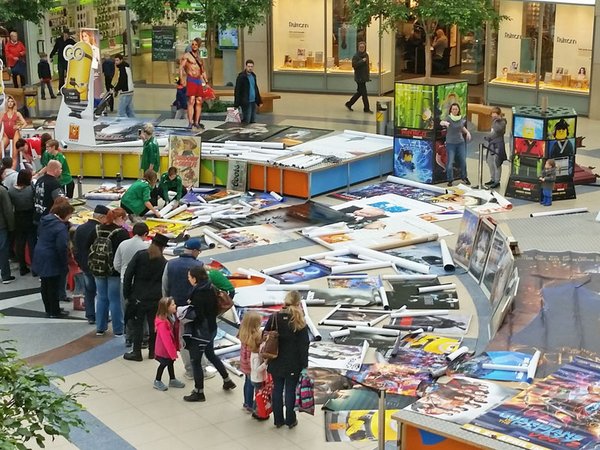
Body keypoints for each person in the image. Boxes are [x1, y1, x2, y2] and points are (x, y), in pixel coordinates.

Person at [161, 237, 216, 380]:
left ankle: (189, 370)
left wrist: (168, 305)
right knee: (198, 337)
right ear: (195, 251)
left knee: (183, 339)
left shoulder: (170, 264)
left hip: (176, 308)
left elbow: (165, 285)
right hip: (194, 309)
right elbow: (205, 287)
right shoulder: (198, 265)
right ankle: (201, 369)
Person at [183, 265, 237, 402]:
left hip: (201, 331)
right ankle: (227, 379)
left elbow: (198, 314)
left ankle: (199, 392)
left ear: (195, 279)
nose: (188, 279)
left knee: (195, 361)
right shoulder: (210, 288)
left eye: (189, 277)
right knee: (211, 354)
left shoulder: (197, 294)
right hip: (212, 328)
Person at [264, 290, 309, 429]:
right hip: (293, 363)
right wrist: (304, 364)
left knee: (277, 389)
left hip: (275, 359)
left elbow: (265, 333)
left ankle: (278, 420)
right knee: (290, 391)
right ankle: (290, 420)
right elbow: (304, 345)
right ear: (298, 303)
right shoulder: (299, 321)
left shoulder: (275, 317)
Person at [123, 233, 169, 361]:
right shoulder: (164, 262)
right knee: (153, 325)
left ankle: (136, 352)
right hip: (155, 299)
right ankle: (152, 351)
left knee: (138, 325)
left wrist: (127, 294)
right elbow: (165, 282)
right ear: (163, 248)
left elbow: (128, 275)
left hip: (138, 297)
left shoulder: (140, 255)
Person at [87, 207, 129, 336]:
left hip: (98, 268)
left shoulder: (97, 229)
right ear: (119, 218)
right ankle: (118, 329)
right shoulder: (121, 233)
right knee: (114, 299)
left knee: (101, 297)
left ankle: (100, 327)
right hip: (114, 271)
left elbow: (89, 246)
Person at [32, 198, 74, 316]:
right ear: (64, 214)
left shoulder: (45, 220)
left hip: (40, 253)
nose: (69, 218)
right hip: (51, 257)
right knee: (53, 286)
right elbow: (61, 246)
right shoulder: (60, 228)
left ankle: (48, 309)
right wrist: (64, 262)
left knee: (45, 285)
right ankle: (55, 311)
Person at [114, 222, 150, 346]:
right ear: (145, 234)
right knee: (143, 311)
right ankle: (144, 338)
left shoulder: (123, 244)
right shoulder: (145, 247)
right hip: (140, 283)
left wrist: (123, 273)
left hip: (124, 280)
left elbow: (116, 264)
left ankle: (129, 337)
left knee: (127, 309)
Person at [73, 204, 110, 325]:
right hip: (97, 266)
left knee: (88, 291)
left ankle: (90, 316)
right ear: (102, 217)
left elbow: (75, 248)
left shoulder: (80, 228)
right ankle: (102, 316)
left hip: (84, 265)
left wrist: (79, 262)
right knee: (101, 292)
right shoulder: (100, 230)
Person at [153, 297, 186, 391]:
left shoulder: (170, 317)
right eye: (173, 305)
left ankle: (172, 379)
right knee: (163, 363)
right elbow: (166, 340)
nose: (175, 306)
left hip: (169, 348)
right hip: (164, 349)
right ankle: (157, 380)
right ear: (166, 308)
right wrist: (172, 353)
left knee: (170, 362)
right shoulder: (162, 323)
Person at [239, 311, 267, 418]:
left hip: (244, 363)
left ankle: (246, 403)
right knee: (254, 385)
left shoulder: (243, 332)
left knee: (246, 383)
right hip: (252, 365)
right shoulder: (256, 336)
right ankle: (253, 406)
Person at [8, 170, 36, 276]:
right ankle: (35, 268)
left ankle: (22, 267)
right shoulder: (30, 189)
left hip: (18, 217)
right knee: (32, 242)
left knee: (20, 243)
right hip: (30, 216)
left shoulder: (11, 191)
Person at [440, 103, 471, 187]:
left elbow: (462, 127)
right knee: (450, 162)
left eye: (456, 109)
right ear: (451, 110)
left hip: (460, 142)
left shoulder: (461, 118)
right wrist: (444, 123)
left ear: (458, 110)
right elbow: (441, 122)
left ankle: (464, 177)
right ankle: (450, 179)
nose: (454, 111)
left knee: (463, 161)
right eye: (453, 109)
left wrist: (467, 132)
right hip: (451, 143)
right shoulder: (449, 118)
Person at [179, 38, 208, 129]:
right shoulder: (187, 56)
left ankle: (196, 122)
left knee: (199, 101)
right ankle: (190, 122)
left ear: (198, 46)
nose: (194, 46)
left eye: (195, 44)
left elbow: (202, 71)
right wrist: (181, 79)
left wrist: (205, 81)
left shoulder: (200, 58)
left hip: (198, 80)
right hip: (191, 79)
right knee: (191, 100)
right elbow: (181, 68)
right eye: (193, 44)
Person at [33, 159, 64, 225]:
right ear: (56, 170)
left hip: (37, 216)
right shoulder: (54, 184)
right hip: (48, 220)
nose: (61, 171)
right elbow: (61, 203)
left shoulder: (39, 180)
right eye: (60, 169)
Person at [345, 42, 372, 113]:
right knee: (364, 94)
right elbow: (354, 65)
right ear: (358, 47)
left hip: (364, 77)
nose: (362, 48)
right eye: (361, 47)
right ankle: (366, 108)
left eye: (363, 47)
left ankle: (349, 104)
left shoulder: (366, 55)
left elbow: (367, 67)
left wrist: (368, 76)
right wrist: (361, 61)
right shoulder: (356, 56)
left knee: (360, 92)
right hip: (359, 77)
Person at [483, 106, 507, 189]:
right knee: (490, 162)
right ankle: (492, 178)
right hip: (491, 144)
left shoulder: (502, 122)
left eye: (495, 113)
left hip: (498, 145)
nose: (493, 115)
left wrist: (497, 120)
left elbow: (497, 131)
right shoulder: (494, 121)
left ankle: (497, 181)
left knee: (496, 163)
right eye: (492, 113)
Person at [234, 59, 262, 124]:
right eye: (249, 66)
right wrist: (236, 104)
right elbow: (237, 90)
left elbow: (255, 88)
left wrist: (259, 101)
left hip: (253, 101)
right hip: (246, 101)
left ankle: (251, 133)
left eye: (251, 66)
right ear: (246, 66)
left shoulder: (253, 76)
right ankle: (245, 133)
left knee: (253, 119)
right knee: (247, 119)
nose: (250, 68)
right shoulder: (241, 77)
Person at [0, 179, 14, 284]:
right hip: (1, 225)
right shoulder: (2, 190)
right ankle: (5, 275)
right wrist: (11, 227)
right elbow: (8, 210)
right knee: (3, 250)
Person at [113, 54, 135, 118]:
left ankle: (123, 125)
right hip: (130, 91)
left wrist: (116, 89)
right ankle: (134, 123)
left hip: (125, 92)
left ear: (121, 60)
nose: (116, 62)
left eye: (117, 60)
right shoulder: (126, 67)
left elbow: (122, 81)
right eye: (115, 60)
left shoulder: (122, 68)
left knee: (121, 112)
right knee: (130, 112)